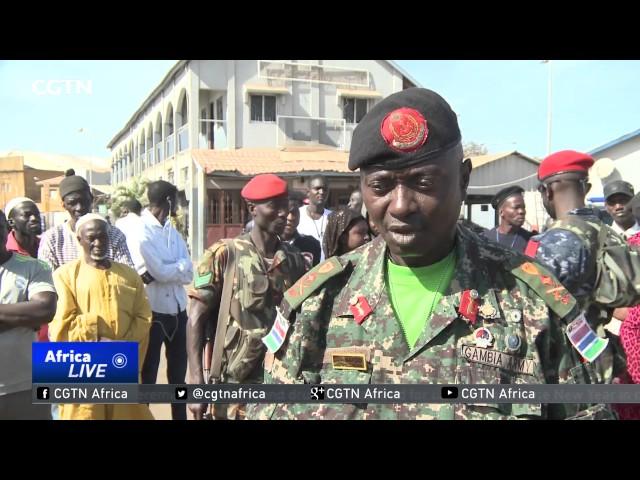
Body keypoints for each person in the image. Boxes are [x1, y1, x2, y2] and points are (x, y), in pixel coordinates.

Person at [247, 87, 613, 420]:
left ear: (463, 179)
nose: (401, 205)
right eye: (381, 186)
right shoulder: (319, 301)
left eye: (423, 183)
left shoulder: (532, 301)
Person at [187, 174, 306, 420]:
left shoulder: (294, 260)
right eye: (274, 205)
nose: (283, 213)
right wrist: (196, 379)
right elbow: (196, 318)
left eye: (285, 205)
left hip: (281, 381)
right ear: (253, 209)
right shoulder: (225, 254)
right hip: (234, 384)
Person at [531, 150, 627, 388]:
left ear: (547, 191)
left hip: (563, 369)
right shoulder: (610, 235)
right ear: (587, 188)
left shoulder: (554, 242)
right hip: (600, 358)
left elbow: (531, 313)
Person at [49, 214, 153, 420]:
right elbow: (62, 326)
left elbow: (144, 318)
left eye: (103, 237)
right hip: (84, 371)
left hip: (122, 366)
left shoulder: (129, 275)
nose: (98, 243)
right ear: (80, 240)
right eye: (92, 238)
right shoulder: (65, 276)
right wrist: (96, 336)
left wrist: (121, 346)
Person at [137, 181, 192, 421]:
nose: (179, 205)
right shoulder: (142, 231)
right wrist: (176, 268)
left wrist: (173, 269)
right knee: (148, 376)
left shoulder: (173, 231)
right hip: (154, 313)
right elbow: (157, 271)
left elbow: (189, 272)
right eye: (176, 200)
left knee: (178, 377)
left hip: (179, 312)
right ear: (168, 201)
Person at [0, 210, 56, 420]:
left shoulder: (34, 266)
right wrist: (21, 316)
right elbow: (32, 312)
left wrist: (33, 314)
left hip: (25, 386)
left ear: (7, 229)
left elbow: (44, 309)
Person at [38, 171, 133, 271]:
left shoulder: (114, 235)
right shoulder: (53, 239)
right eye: (72, 203)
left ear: (91, 199)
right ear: (63, 204)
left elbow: (127, 274)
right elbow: (46, 279)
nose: (79, 207)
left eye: (83, 201)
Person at [5, 197, 49, 342]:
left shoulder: (48, 246)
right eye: (27, 214)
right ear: (11, 222)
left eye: (36, 214)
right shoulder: (5, 254)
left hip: (49, 339)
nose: (34, 218)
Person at [482, 186, 533, 253]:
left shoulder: (531, 240)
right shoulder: (485, 238)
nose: (521, 211)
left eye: (523, 207)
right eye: (516, 207)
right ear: (501, 212)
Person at [297, 175, 332, 260]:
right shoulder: (297, 215)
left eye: (325, 189)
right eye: (317, 188)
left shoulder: (333, 217)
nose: (321, 192)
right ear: (308, 192)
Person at [281, 198, 321, 269]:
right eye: (287, 213)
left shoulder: (312, 244)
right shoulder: (268, 244)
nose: (290, 218)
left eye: (294, 213)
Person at [114, 198, 146, 276]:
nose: (121, 214)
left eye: (122, 212)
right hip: (147, 270)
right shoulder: (146, 222)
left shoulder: (119, 223)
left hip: (128, 270)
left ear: (126, 211)